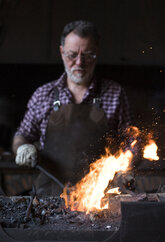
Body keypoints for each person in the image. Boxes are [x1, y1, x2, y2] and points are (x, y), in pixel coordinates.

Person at [12, 20, 132, 196]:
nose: (79, 63)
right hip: (50, 198)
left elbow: (131, 141)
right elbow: (21, 136)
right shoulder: (43, 94)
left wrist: (127, 163)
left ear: (97, 53)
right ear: (61, 52)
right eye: (72, 55)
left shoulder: (115, 93)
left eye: (88, 55)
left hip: (98, 200)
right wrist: (22, 147)